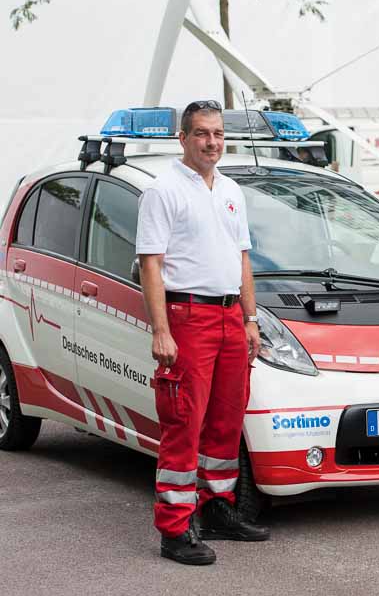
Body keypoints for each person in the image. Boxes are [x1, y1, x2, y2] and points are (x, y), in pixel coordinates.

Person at [136, 99, 270, 565]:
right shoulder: (163, 190)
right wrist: (161, 329)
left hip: (231, 317)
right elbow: (150, 263)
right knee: (184, 425)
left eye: (217, 133)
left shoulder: (232, 189)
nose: (211, 142)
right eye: (201, 134)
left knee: (225, 422)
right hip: (187, 318)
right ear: (183, 138)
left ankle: (217, 511)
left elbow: (243, 259)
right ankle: (174, 530)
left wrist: (251, 319)